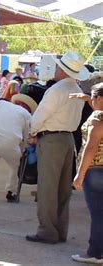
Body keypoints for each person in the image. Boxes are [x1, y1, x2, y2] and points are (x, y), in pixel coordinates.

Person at [26, 51, 90, 244]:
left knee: (47, 187)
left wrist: (32, 132)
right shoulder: (76, 89)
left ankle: (47, 230)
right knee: (63, 188)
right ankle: (60, 230)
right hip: (68, 138)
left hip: (51, 138)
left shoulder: (56, 90)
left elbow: (39, 117)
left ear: (62, 69)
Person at [71, 83, 103, 264]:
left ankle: (95, 252)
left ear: (98, 98)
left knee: (98, 213)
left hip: (95, 170)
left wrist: (80, 174)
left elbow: (91, 147)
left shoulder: (97, 120)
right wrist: (85, 99)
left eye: (92, 97)